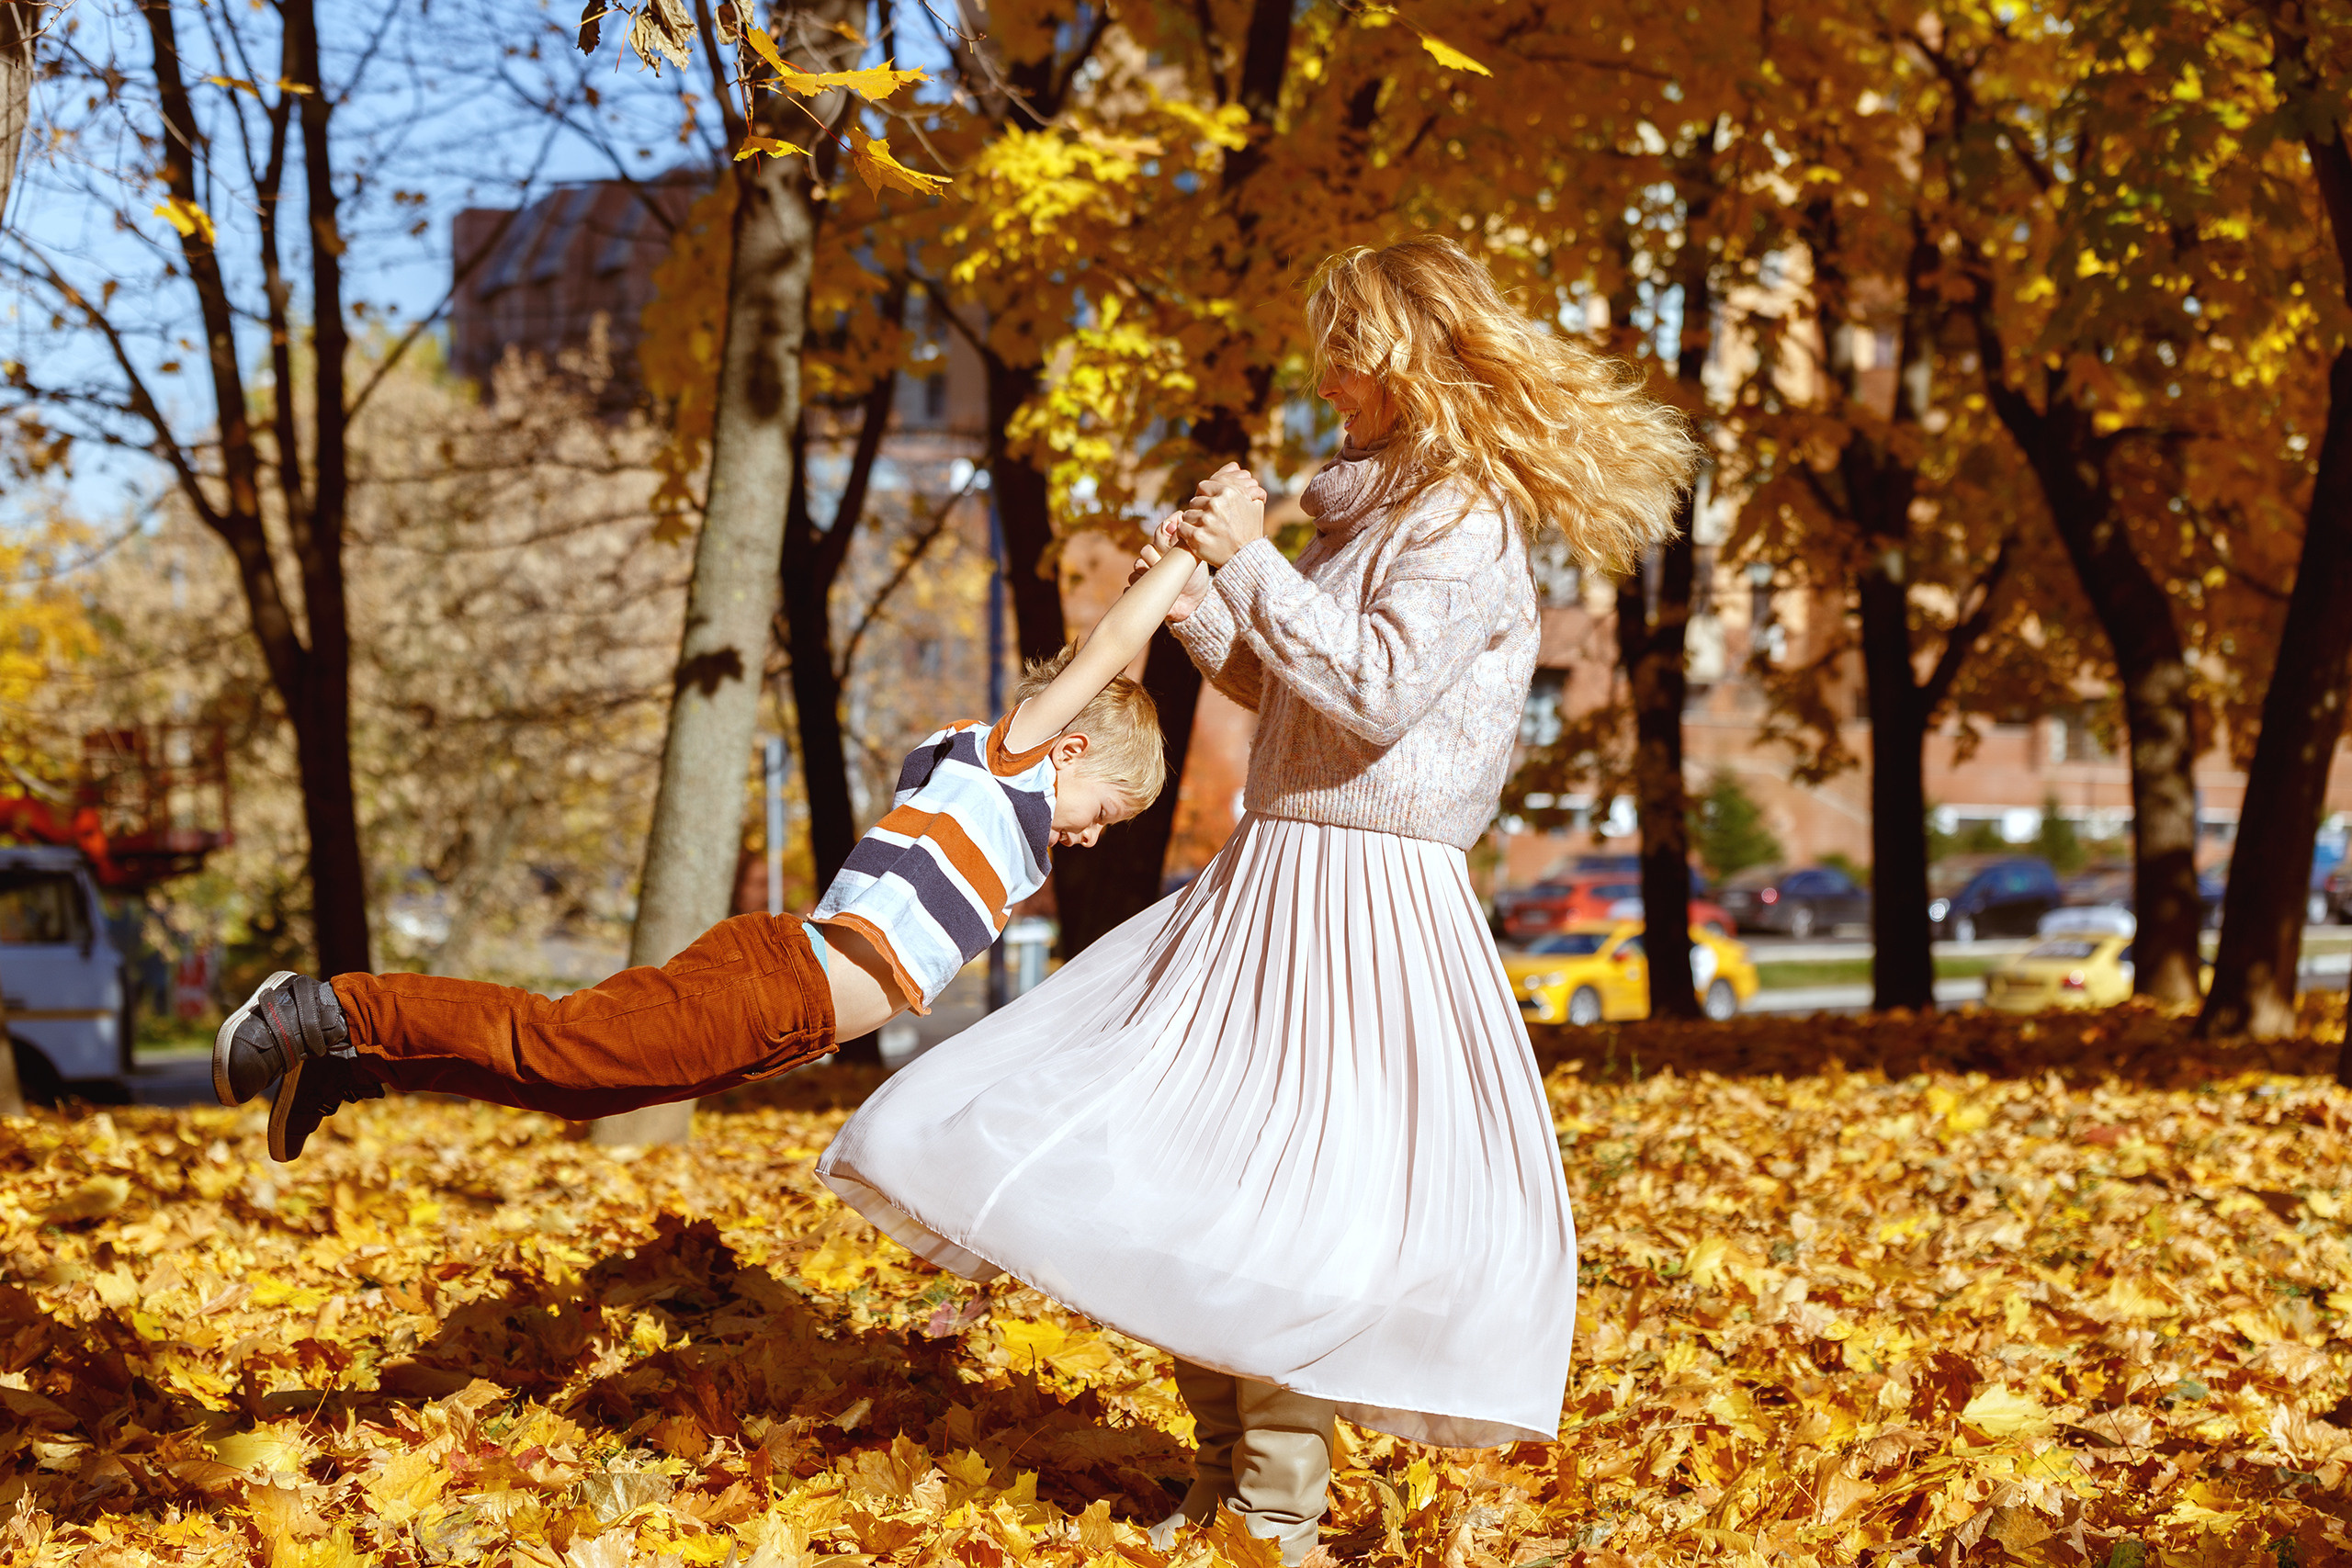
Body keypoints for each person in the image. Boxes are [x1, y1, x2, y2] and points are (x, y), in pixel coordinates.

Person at [814, 236, 1702, 1564]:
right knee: (1195, 1167)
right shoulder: (1374, 513)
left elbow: (1380, 687)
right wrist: (1201, 581)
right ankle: (1227, 1476)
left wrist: (1259, 559)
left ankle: (1276, 1506)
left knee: (1298, 1196)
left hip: (1367, 896)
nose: (1324, 374)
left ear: (1398, 351)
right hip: (1271, 874)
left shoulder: (1460, 515)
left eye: (1343, 346)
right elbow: (1281, 686)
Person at [209, 527, 1231, 1162]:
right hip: (782, 979)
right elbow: (1107, 649)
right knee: (562, 1044)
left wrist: (1185, 596)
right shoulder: (1011, 761)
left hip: (788, 1022)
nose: (1094, 836)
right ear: (1071, 748)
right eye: (1104, 808)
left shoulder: (1020, 821)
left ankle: (360, 1061)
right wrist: (1184, 557)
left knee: (569, 1086)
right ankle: (324, 1009)